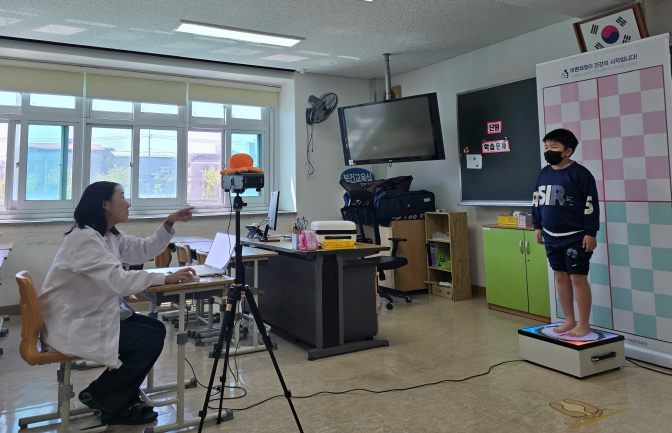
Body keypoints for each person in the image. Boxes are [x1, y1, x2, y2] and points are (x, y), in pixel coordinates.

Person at [38, 181, 196, 425]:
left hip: (86, 315)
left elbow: (142, 249)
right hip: (71, 323)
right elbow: (117, 281)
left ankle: (117, 395)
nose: (128, 203)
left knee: (155, 329)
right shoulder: (85, 239)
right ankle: (104, 396)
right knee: (148, 339)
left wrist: (168, 222)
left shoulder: (107, 235)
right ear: (105, 204)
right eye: (122, 197)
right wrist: (164, 277)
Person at [532, 128, 599, 338]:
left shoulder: (581, 174)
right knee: (559, 276)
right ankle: (569, 319)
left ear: (567, 151)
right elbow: (537, 200)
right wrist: (537, 226)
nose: (548, 151)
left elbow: (591, 205)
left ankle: (583, 323)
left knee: (577, 277)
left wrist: (591, 232)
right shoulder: (544, 173)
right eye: (546, 147)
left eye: (554, 147)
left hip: (576, 236)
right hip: (551, 236)